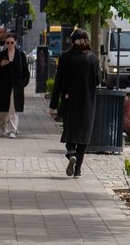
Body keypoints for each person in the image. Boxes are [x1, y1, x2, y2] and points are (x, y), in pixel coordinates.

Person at [48, 28, 99, 178]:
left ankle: (71, 153)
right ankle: (78, 171)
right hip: (87, 102)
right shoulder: (93, 59)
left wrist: (53, 105)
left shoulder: (65, 57)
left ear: (72, 41)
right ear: (87, 41)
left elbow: (58, 82)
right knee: (83, 135)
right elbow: (98, 80)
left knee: (69, 130)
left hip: (69, 100)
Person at [0, 33, 30, 138]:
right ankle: (4, 126)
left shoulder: (20, 55)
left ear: (16, 42)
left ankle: (12, 130)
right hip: (4, 86)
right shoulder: (1, 55)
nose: (9, 44)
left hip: (16, 86)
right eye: (7, 43)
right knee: (4, 109)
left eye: (11, 42)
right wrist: (1, 65)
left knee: (13, 108)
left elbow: (25, 71)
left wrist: (23, 84)